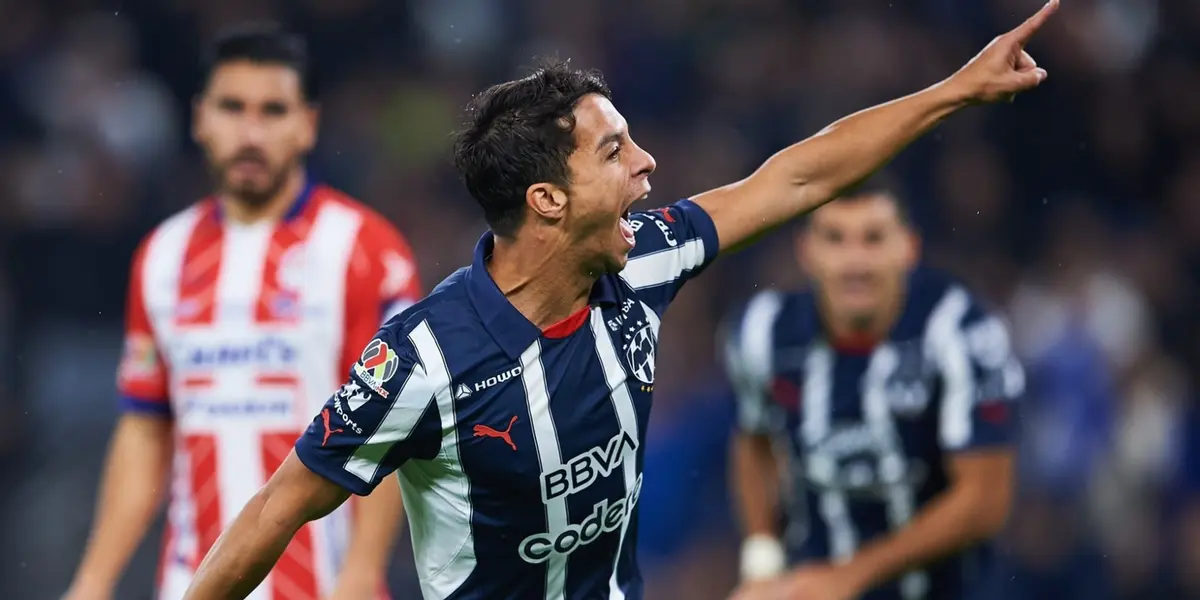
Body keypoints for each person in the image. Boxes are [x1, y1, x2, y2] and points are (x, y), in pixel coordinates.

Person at [181, 2, 1060, 598]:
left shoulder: (641, 262)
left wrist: (954, 91)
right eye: (614, 152)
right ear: (547, 201)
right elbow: (276, 507)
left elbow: (795, 177)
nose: (647, 165)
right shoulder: (423, 358)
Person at [62, 24, 420, 600]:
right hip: (190, 584)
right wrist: (93, 581)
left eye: (273, 111)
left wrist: (361, 573)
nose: (251, 133)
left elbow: (392, 427)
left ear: (307, 124)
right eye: (232, 108)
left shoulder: (365, 250)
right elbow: (145, 425)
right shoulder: (162, 255)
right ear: (200, 118)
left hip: (322, 586)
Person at [720, 183, 1024, 600]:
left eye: (874, 238)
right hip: (811, 583)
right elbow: (753, 440)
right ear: (806, 251)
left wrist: (850, 576)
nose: (855, 262)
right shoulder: (761, 332)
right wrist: (762, 563)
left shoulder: (961, 332)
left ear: (909, 247)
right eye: (835, 239)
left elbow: (985, 501)